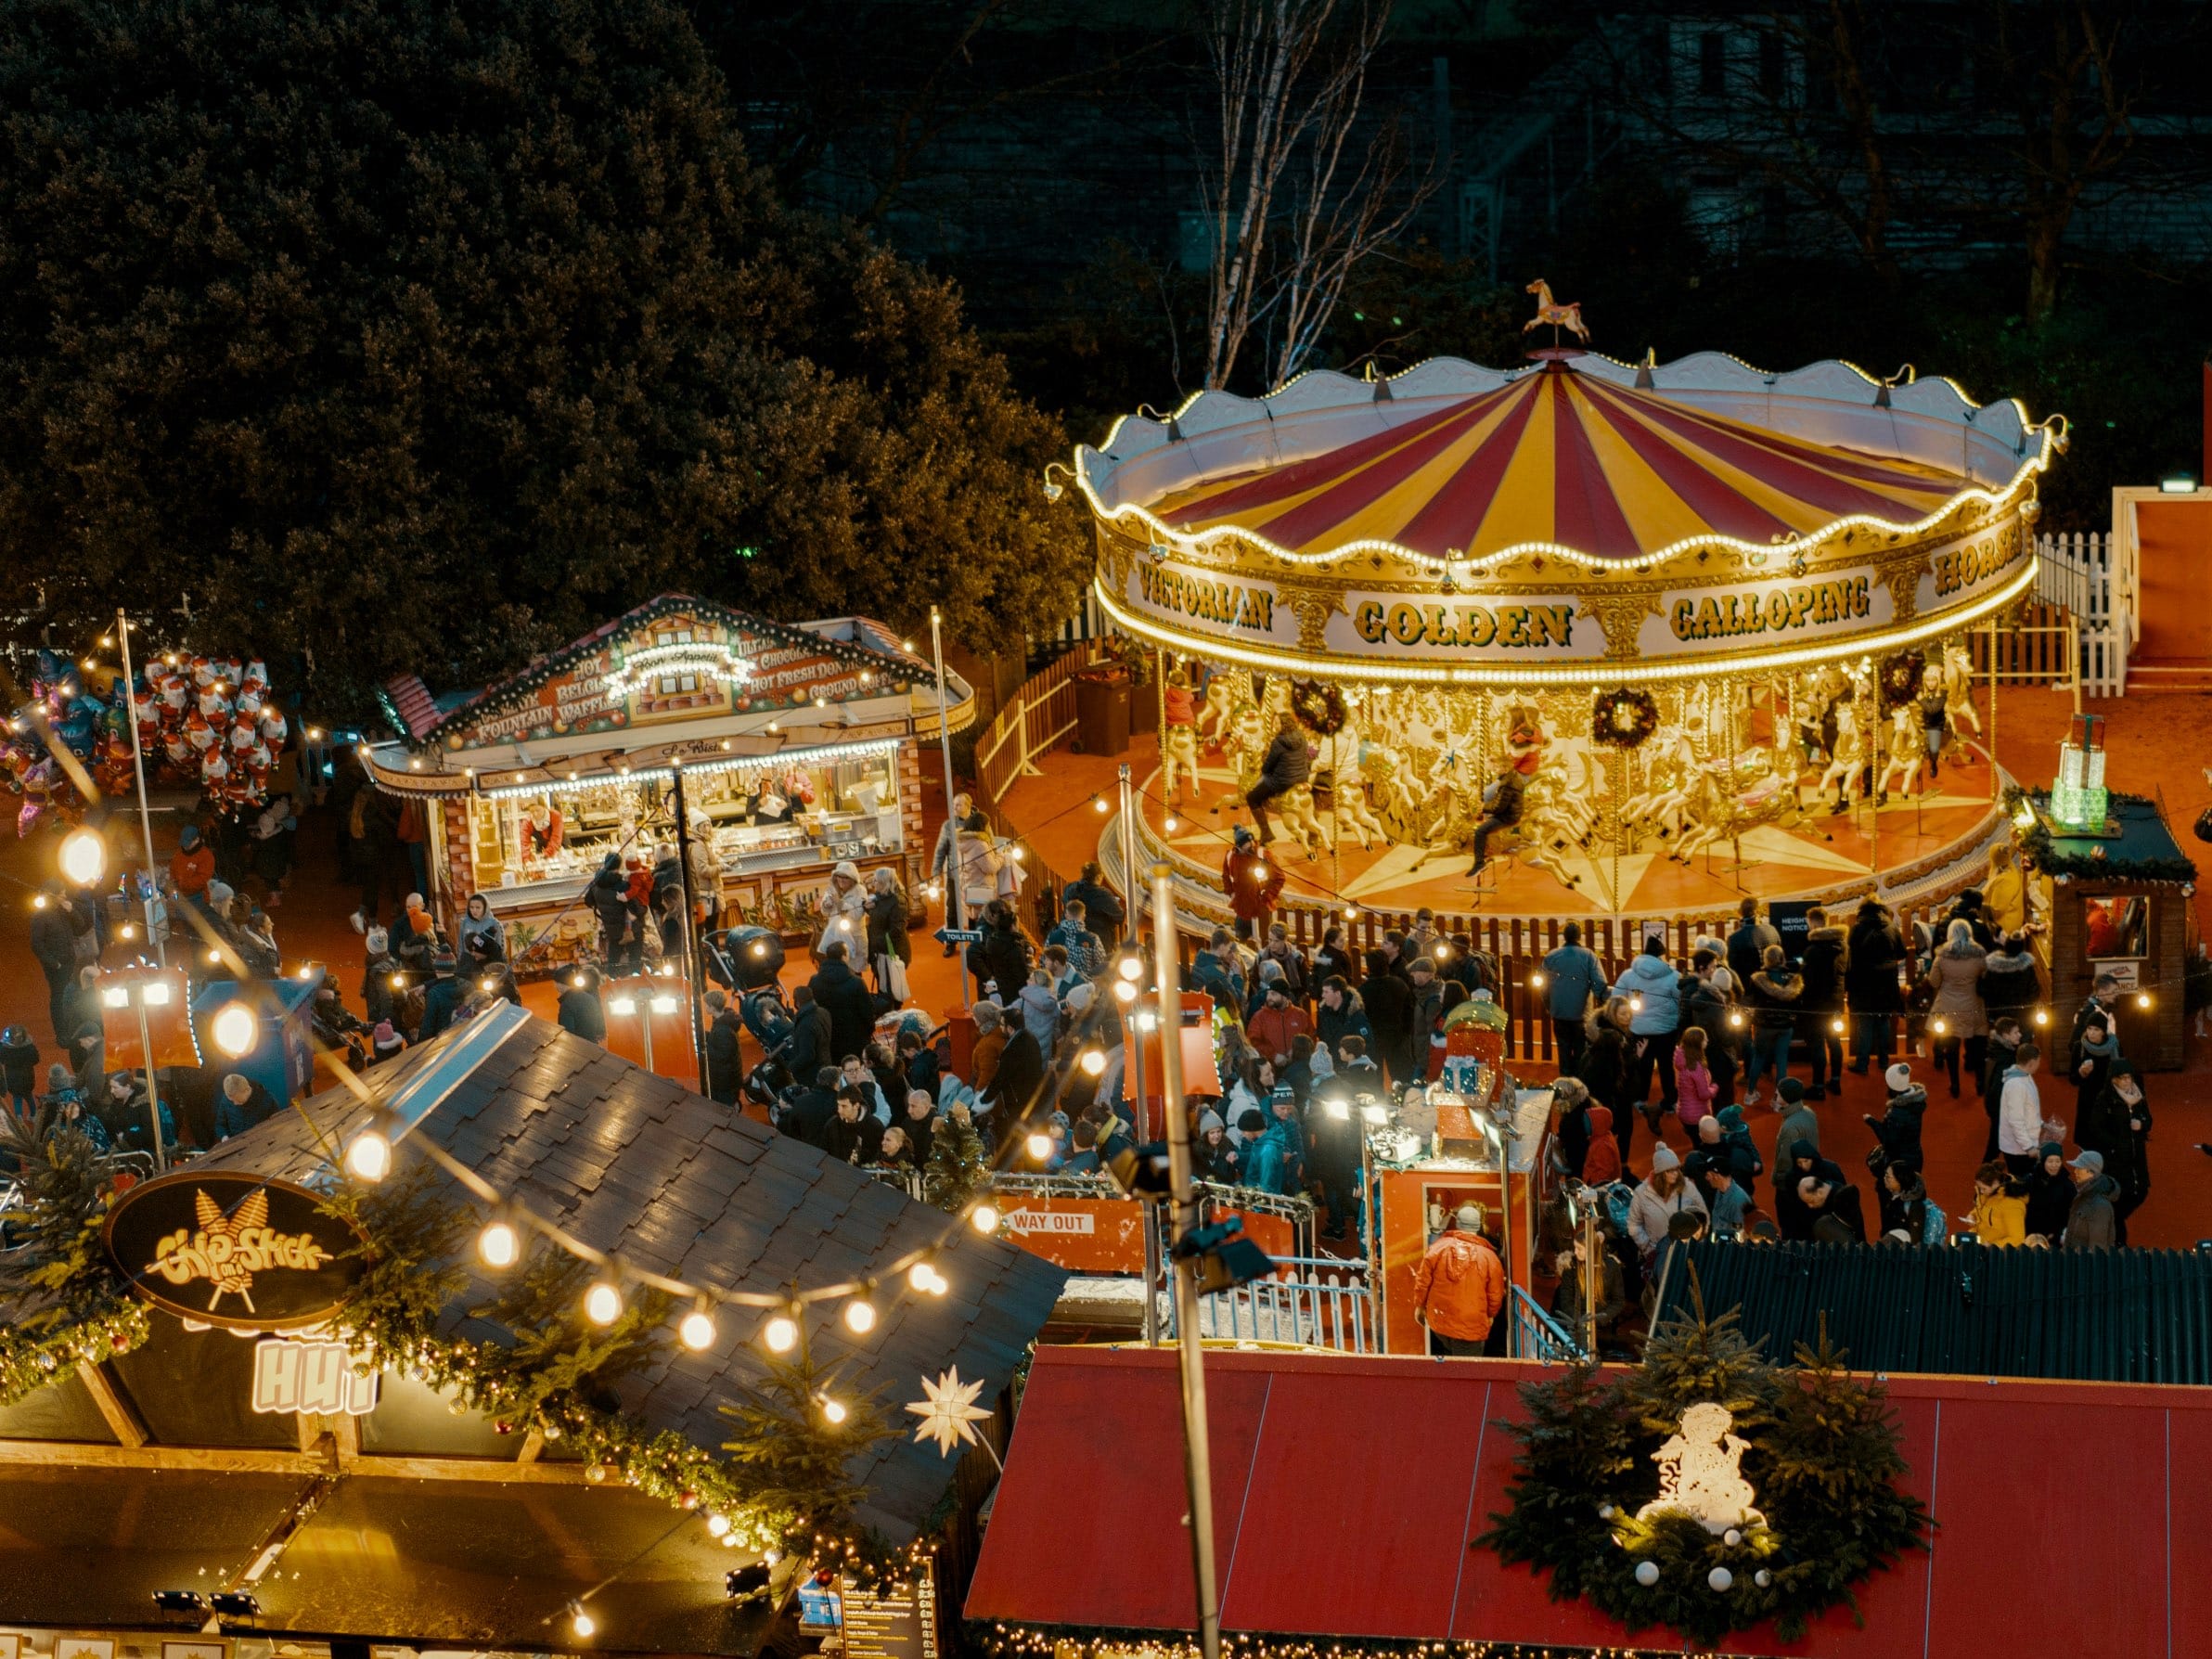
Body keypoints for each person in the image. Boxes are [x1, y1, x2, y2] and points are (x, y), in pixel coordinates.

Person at [1410, 1203, 1506, 1357]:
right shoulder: (1490, 1258)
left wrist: (1419, 1307)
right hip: (1470, 1326)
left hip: (1439, 1323)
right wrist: (1490, 1315)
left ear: (1457, 1223)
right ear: (1478, 1226)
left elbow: (1422, 1283)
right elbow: (1495, 1295)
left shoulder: (1437, 1248)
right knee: (1467, 1373)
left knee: (1447, 1364)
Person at [2077, 1061, 2151, 1241]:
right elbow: (2095, 1127)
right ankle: (2118, 1242)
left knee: (2141, 1192)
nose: (2127, 1082)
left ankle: (2114, 1228)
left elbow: (2148, 1119)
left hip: (2137, 1157)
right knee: (2120, 1199)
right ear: (2114, 1080)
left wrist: (2141, 1125)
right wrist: (2115, 1144)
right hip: (2117, 1159)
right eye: (2123, 1078)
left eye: (2129, 1077)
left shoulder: (2138, 1097)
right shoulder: (2105, 1100)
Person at [1613, 937, 1682, 1117]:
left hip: (1638, 1028)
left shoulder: (1628, 974)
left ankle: (1640, 1099)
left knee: (1643, 1065)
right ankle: (1669, 1102)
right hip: (1666, 1029)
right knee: (1666, 1066)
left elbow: (1617, 998)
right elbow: (1680, 999)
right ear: (1662, 955)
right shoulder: (1673, 976)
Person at [1925, 919, 1988, 1100]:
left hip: (1948, 1006)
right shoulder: (1979, 953)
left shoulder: (1943, 955)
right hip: (1973, 1005)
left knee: (1951, 1048)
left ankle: (1954, 1084)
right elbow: (1985, 975)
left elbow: (1934, 981)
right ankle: (1980, 1082)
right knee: (1977, 1047)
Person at [1845, 897, 1906, 1074]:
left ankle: (1862, 1064)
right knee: (1883, 1021)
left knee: (1865, 1023)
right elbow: (1901, 952)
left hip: (1863, 982)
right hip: (1887, 981)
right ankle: (1884, 1062)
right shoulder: (1891, 927)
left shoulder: (1857, 928)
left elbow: (1850, 958)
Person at [1793, 906, 1847, 1100]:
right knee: (1834, 1042)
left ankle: (1817, 1087)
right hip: (1836, 1002)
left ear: (1814, 923)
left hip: (1816, 1005)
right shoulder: (1842, 945)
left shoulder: (1813, 949)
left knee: (1817, 1044)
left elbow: (1806, 980)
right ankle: (1835, 1081)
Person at [29, 882, 90, 1045]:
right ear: (53, 895)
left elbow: (81, 925)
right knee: (59, 999)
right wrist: (53, 963)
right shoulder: (40, 916)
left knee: (71, 996)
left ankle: (71, 1029)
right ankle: (62, 1035)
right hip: (57, 966)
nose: (64, 897)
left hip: (70, 960)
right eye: (62, 894)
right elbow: (36, 944)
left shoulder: (63, 911)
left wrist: (72, 911)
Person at [1541, 921, 1606, 1074]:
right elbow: (1600, 983)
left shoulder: (1551, 956)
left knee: (1563, 1053)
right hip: (1581, 1014)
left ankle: (1565, 1087)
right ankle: (1580, 1087)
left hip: (1559, 1013)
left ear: (1564, 937)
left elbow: (1543, 986)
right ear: (1579, 937)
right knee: (1581, 1054)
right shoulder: (1588, 955)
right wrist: (1603, 1003)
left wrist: (1549, 1006)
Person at [1627, 1144, 1707, 1266]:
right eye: (1670, 1170)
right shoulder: (1641, 1193)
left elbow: (1704, 1216)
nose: (1675, 1173)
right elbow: (1634, 1225)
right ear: (1660, 1173)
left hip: (1685, 1254)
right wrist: (1649, 1249)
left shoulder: (1688, 1188)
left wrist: (1696, 1244)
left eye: (1677, 1169)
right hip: (1657, 1256)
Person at [1743, 944, 1801, 1107]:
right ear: (1782, 958)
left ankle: (1749, 1094)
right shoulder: (1792, 979)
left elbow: (1751, 1001)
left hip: (1763, 1025)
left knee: (1759, 1058)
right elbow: (1796, 1005)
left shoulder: (1757, 979)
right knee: (1782, 1061)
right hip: (1785, 1026)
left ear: (1766, 960)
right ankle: (1778, 1101)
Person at [1550, 1228, 1627, 1350]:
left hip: (1602, 1330)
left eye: (1579, 1249)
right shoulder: (1571, 1269)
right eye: (1575, 1248)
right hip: (1576, 1328)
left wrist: (1601, 1318)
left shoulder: (1611, 1268)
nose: (1575, 1252)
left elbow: (1618, 1301)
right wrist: (1581, 1321)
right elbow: (1566, 1301)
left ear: (1591, 1250)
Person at [1245, 710, 1309, 846]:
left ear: (1284, 724)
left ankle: (1266, 833)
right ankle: (1312, 833)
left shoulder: (1278, 742)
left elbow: (1268, 766)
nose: (1274, 725)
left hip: (1283, 782)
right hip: (1302, 777)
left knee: (1252, 797)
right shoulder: (1301, 736)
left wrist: (1264, 769)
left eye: (1276, 723)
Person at [808, 940, 876, 1062]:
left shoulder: (814, 981)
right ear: (844, 957)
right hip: (853, 1039)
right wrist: (868, 1032)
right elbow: (867, 1012)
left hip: (827, 1038)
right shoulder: (856, 982)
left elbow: (810, 1007)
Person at [1360, 946, 1417, 1087]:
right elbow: (1409, 1011)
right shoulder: (1400, 985)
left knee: (1374, 1079)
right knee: (1402, 1077)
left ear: (1369, 967)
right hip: (1398, 1038)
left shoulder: (1364, 990)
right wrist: (1406, 1033)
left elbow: (1362, 1017)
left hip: (1374, 1039)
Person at [1863, 1063, 1927, 1177]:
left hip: (1900, 1163)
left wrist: (1871, 1121)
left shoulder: (1897, 1113)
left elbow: (1888, 1142)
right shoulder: (1916, 1100)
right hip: (1915, 1156)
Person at [1220, 824, 1284, 940]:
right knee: (1242, 942)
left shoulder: (1262, 854)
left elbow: (1279, 878)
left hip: (1261, 909)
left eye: (1252, 841)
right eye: (1247, 843)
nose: (1252, 845)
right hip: (1242, 909)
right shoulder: (1230, 856)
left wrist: (1266, 897)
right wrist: (1232, 893)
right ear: (1239, 845)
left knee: (1265, 941)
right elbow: (1226, 876)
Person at [1465, 757, 1526, 877]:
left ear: (1505, 768)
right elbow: (1499, 802)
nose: (1495, 769)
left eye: (1498, 767)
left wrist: (1483, 808)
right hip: (1511, 811)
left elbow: (1499, 808)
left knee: (1480, 831)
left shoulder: (1507, 784)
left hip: (1508, 816)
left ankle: (1479, 864)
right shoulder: (1512, 777)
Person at [1244, 1089, 1306, 1196]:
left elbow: (1298, 1143)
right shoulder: (1259, 1119)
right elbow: (1249, 1149)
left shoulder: (1291, 1120)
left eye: (1289, 1108)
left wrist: (1301, 1161)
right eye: (1282, 1108)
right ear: (1273, 1105)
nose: (1286, 1112)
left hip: (1291, 1176)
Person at [585, 853, 638, 974]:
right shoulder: (622, 884)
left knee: (613, 959)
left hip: (610, 927)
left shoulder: (596, 884)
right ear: (619, 866)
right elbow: (634, 906)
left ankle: (612, 981)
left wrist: (602, 906)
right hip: (627, 928)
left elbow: (588, 901)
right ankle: (638, 980)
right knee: (635, 958)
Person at [864, 868, 912, 1004]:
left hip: (892, 953)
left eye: (876, 881)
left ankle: (894, 1016)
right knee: (883, 986)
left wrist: (876, 942)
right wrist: (865, 906)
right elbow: (877, 915)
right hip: (879, 952)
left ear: (886, 883)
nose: (874, 884)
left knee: (893, 989)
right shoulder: (879, 897)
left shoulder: (898, 901)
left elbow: (897, 930)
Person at [2070, 1010, 2120, 1139]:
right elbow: (2073, 1079)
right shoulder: (2079, 1047)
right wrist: (2081, 1072)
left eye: (2096, 1029)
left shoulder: (2114, 1047)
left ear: (2103, 1032)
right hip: (2087, 1101)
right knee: (2087, 1140)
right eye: (2089, 1028)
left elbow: (2121, 1072)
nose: (2091, 1033)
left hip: (2107, 1100)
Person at [1979, 1015, 2023, 1160]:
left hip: (1997, 1109)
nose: (2020, 1035)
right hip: (2002, 1111)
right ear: (2005, 1036)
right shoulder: (2006, 1060)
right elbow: (1998, 1090)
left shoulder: (1997, 1051)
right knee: (1997, 1145)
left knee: (1999, 1143)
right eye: (2016, 1033)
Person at [1979, 931, 2040, 1032]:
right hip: (2023, 1016)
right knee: (2021, 1040)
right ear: (2022, 949)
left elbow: (1985, 990)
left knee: (2001, 1040)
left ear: (2006, 946)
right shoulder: (2027, 968)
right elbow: (2034, 992)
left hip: (1998, 1014)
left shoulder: (1993, 966)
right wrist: (2026, 1008)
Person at [2062, 1149, 2118, 1248]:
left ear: (2092, 1172)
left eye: (2079, 1168)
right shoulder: (2083, 1197)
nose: (2075, 1172)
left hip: (2086, 1263)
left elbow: (2097, 1249)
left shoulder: (2099, 1206)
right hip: (2076, 1261)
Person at [1246, 981, 1310, 1066]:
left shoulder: (1301, 1015)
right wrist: (1273, 1055)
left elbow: (1310, 1038)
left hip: (1298, 1069)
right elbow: (1252, 1042)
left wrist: (1297, 1051)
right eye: (1268, 994)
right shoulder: (1259, 1017)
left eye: (1273, 994)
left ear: (1284, 996)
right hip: (1271, 1070)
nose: (1268, 997)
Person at [1967, 1161, 2029, 1244]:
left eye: (1984, 1188)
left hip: (1996, 1253)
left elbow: (2017, 1239)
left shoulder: (2013, 1205)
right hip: (1979, 1244)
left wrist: (1992, 1246)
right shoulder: (1987, 1194)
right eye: (1979, 1188)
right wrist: (1972, 1215)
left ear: (1995, 1184)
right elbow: (1981, 1209)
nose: (1981, 1191)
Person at [1045, 899, 1105, 984]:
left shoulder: (1052, 937)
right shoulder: (1092, 939)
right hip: (1085, 987)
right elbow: (1101, 965)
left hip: (1058, 986)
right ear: (1084, 916)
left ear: (1066, 915)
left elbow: (1044, 962)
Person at [2025, 1142, 2073, 1242]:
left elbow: (2070, 1214)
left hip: (2055, 1238)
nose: (2054, 1165)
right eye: (2050, 1161)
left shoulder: (2067, 1185)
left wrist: (2057, 1233)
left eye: (2058, 1161)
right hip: (2032, 1237)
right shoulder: (2030, 1181)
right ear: (2043, 1162)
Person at [1725, 898, 1779, 987]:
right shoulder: (1772, 930)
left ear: (1741, 914)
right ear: (1757, 912)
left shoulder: (1734, 938)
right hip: (1773, 983)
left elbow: (1733, 969)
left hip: (1749, 988)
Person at [1673, 1025, 1717, 1130]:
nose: (1707, 1040)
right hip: (1697, 1116)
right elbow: (1704, 1094)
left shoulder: (1682, 1059)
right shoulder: (1696, 1067)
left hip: (1683, 1111)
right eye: (1705, 1039)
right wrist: (1714, 1087)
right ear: (1698, 1043)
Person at [702, 990, 743, 1105]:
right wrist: (706, 1036)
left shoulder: (722, 1029)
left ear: (713, 1007)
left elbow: (722, 1056)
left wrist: (705, 1048)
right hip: (728, 1079)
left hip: (725, 1082)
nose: (705, 1007)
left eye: (707, 1005)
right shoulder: (722, 1022)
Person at [212, 1072, 278, 1140]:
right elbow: (220, 1124)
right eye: (232, 1100)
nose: (235, 1103)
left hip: (263, 1141)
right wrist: (224, 1136)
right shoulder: (226, 1100)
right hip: (238, 1145)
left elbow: (276, 1122)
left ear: (247, 1090)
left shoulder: (266, 1099)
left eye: (238, 1100)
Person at [1772, 1077, 1819, 1173]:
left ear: (1786, 1098)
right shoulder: (1808, 1112)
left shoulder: (1790, 1126)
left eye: (1779, 1093)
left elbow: (1786, 1159)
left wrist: (1779, 1177)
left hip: (1792, 1178)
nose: (1776, 1093)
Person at [967, 999, 1009, 1096]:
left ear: (983, 1019)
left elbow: (986, 1074)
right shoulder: (1000, 1032)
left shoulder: (986, 1045)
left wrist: (977, 1095)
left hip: (986, 1088)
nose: (973, 1018)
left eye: (975, 1016)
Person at [457, 893, 507, 965]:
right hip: (469, 965)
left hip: (488, 965)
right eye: (471, 907)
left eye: (478, 907)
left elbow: (500, 947)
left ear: (485, 908)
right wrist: (460, 963)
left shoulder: (494, 924)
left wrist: (496, 965)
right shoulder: (464, 923)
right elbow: (461, 946)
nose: (474, 910)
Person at [1581, 1105, 1623, 1187]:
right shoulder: (1604, 1135)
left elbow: (1602, 1179)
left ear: (1596, 1124)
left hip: (1599, 1190)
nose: (1584, 1124)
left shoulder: (1602, 1146)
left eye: (1587, 1122)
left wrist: (1588, 1195)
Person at [1, 1026, 40, 1115]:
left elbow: (2, 1059)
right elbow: (36, 1059)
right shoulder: (29, 1047)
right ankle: (34, 1115)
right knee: (29, 1097)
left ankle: (20, 1121)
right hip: (27, 1078)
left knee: (17, 1100)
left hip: (13, 1080)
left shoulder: (5, 1050)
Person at [1309, 923, 1357, 993]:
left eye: (1344, 939)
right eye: (1341, 940)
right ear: (1331, 942)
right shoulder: (1330, 959)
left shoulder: (1339, 954)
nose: (1344, 943)